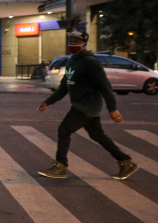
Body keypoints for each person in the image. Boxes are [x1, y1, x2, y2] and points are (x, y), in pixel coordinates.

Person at [37, 29, 139, 180]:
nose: (73, 44)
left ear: (84, 44)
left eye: (77, 41)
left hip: (87, 106)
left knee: (64, 130)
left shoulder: (90, 63)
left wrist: (113, 109)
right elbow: (65, 86)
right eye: (71, 41)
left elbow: (105, 86)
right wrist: (48, 102)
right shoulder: (72, 61)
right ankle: (125, 161)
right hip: (81, 105)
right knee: (97, 135)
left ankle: (60, 165)